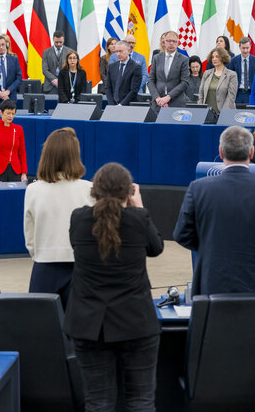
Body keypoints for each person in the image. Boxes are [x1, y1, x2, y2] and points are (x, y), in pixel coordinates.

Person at [64, 162, 163, 412]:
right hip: (135, 322)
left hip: (88, 325)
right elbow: (156, 248)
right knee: (141, 400)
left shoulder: (79, 218)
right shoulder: (138, 219)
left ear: (94, 190)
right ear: (128, 192)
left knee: (98, 402)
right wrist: (138, 206)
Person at [174, 126, 255, 296]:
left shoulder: (198, 188)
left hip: (212, 281)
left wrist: (210, 248)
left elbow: (182, 234)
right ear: (251, 153)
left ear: (220, 152)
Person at [24, 128, 93, 307]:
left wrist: (41, 253)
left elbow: (29, 235)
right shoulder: (90, 190)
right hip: (82, 268)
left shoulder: (33, 190)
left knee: (41, 329)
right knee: (81, 330)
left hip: (44, 267)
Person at [0, 99, 27, 186]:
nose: (10, 116)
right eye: (8, 113)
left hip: (16, 171)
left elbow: (22, 153)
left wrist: (24, 173)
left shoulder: (19, 129)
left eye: (13, 113)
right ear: (1, 112)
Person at [147, 30, 189, 113]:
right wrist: (158, 99)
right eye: (168, 41)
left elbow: (185, 82)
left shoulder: (184, 59)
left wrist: (168, 97)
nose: (171, 43)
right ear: (164, 42)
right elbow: (150, 80)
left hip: (176, 103)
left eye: (174, 41)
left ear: (178, 43)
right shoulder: (156, 58)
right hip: (157, 103)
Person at [199, 47, 237, 114]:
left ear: (223, 58)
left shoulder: (232, 75)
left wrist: (223, 114)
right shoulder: (206, 73)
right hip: (205, 114)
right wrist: (200, 109)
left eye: (217, 57)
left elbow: (231, 97)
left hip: (224, 114)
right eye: (213, 57)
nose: (214, 59)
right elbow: (201, 94)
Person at [105, 40, 142, 106]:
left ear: (128, 51)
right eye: (116, 51)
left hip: (128, 106)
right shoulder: (111, 67)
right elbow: (108, 87)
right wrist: (112, 104)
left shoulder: (136, 68)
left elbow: (133, 90)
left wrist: (121, 105)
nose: (118, 54)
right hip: (113, 105)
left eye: (121, 51)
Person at [227, 36, 255, 104]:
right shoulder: (233, 60)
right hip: (237, 93)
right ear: (239, 47)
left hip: (251, 93)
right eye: (243, 48)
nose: (245, 51)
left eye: (247, 48)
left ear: (250, 47)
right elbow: (229, 78)